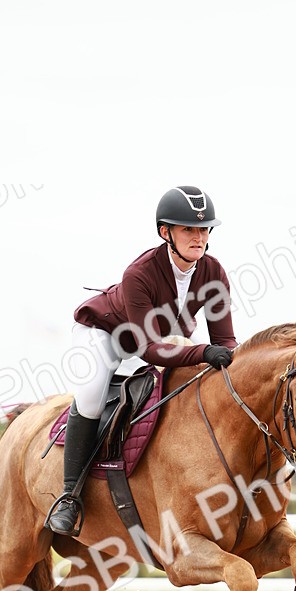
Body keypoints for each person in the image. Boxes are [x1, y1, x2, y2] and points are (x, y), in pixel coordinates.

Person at [46, 185, 238, 535]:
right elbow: (148, 349)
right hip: (108, 334)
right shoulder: (141, 273)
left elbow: (224, 340)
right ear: (166, 233)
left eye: (204, 229)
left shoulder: (213, 273)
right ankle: (70, 497)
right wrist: (203, 352)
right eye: (188, 230)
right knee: (91, 395)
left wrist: (232, 363)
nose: (198, 237)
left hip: (164, 337)